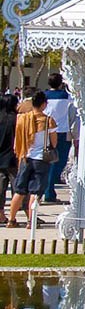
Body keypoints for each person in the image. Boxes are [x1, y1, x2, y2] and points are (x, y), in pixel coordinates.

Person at [10, 91, 56, 229]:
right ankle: (31, 221)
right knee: (35, 192)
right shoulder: (48, 121)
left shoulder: (22, 119)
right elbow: (53, 142)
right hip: (40, 159)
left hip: (25, 156)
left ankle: (11, 220)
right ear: (43, 104)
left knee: (19, 190)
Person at [41, 74, 76, 204]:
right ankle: (49, 191)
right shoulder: (68, 97)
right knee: (58, 162)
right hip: (62, 131)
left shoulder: (43, 96)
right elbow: (73, 114)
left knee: (46, 162)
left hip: (45, 132)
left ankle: (46, 189)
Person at [0, 95, 17, 225]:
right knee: (17, 189)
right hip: (13, 157)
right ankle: (13, 216)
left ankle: (1, 214)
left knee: (1, 189)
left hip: (1, 158)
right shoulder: (16, 119)